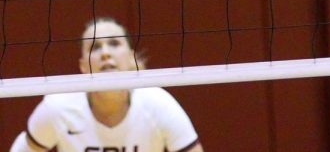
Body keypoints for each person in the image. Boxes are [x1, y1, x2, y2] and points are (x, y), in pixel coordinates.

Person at [9, 17, 202, 152]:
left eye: (114, 44)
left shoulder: (159, 104)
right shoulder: (58, 107)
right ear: (83, 66)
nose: (105, 53)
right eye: (95, 47)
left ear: (131, 59)